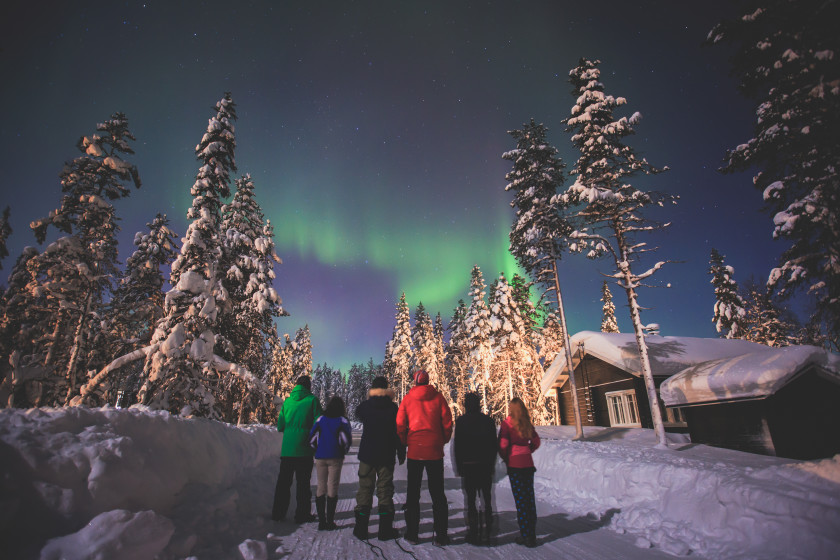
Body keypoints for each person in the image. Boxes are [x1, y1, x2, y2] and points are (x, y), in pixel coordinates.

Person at [396, 370, 453, 545]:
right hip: (434, 452)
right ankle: (441, 536)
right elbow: (448, 423)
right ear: (428, 381)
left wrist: (407, 441)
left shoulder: (408, 399)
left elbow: (400, 424)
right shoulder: (438, 398)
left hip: (415, 452)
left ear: (415, 382)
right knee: (437, 494)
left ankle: (413, 534)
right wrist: (442, 440)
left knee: (413, 494)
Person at [353, 376, 406, 541]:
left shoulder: (367, 406)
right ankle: (385, 530)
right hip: (386, 454)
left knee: (365, 489)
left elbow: (358, 412)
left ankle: (361, 529)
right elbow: (398, 432)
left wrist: (370, 399)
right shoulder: (393, 408)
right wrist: (401, 451)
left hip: (367, 455)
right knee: (385, 491)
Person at [272, 375, 323, 523]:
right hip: (305, 450)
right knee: (303, 484)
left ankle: (278, 514)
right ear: (309, 386)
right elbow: (319, 423)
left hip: (287, 450)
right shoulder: (312, 400)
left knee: (283, 483)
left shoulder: (287, 402)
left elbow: (280, 425)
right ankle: (302, 515)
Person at [453, 392, 497, 544]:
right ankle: (488, 532)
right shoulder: (488, 421)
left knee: (471, 500)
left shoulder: (461, 421)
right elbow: (493, 445)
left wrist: (459, 466)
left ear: (466, 405)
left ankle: (473, 532)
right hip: (484, 466)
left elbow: (457, 446)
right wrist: (492, 464)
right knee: (487, 499)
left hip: (469, 466)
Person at [498, 397, 541, 548]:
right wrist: (529, 450)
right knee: (529, 498)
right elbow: (536, 441)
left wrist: (506, 457)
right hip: (528, 465)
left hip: (515, 465)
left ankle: (525, 535)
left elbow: (503, 444)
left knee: (520, 500)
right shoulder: (526, 422)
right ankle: (532, 533)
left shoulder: (507, 423)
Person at [309, 395, 352, 530]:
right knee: (332, 487)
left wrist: (316, 449)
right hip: (335, 457)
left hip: (320, 456)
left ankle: (321, 521)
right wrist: (343, 451)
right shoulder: (343, 421)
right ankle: (330, 521)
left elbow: (312, 436)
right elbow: (346, 439)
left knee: (321, 486)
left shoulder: (321, 419)